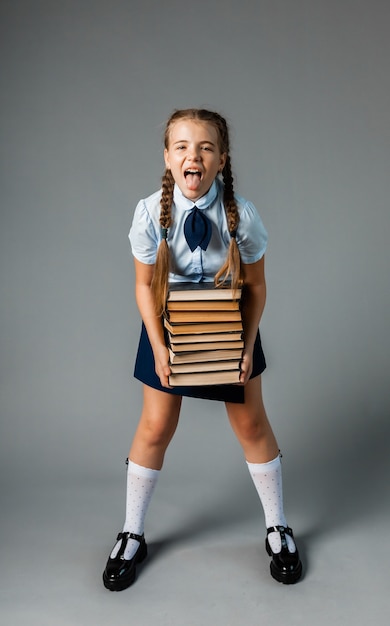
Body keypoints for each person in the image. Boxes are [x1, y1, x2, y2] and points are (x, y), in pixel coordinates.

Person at [102, 108, 302, 591]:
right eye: (183, 147)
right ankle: (132, 533)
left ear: (221, 160)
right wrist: (159, 346)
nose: (194, 156)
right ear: (168, 158)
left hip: (229, 327)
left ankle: (278, 526)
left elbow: (256, 285)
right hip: (166, 328)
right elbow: (143, 286)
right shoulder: (149, 212)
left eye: (206, 148)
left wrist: (248, 343)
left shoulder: (243, 214)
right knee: (154, 425)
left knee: (252, 423)